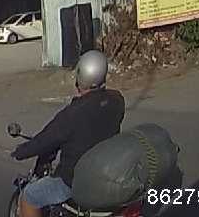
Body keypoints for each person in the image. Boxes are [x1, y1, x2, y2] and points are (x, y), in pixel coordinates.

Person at [12, 50, 125, 217]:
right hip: (107, 174)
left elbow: (46, 140)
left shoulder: (73, 114)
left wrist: (21, 151)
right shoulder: (116, 100)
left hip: (75, 181)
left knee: (30, 196)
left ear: (81, 77)